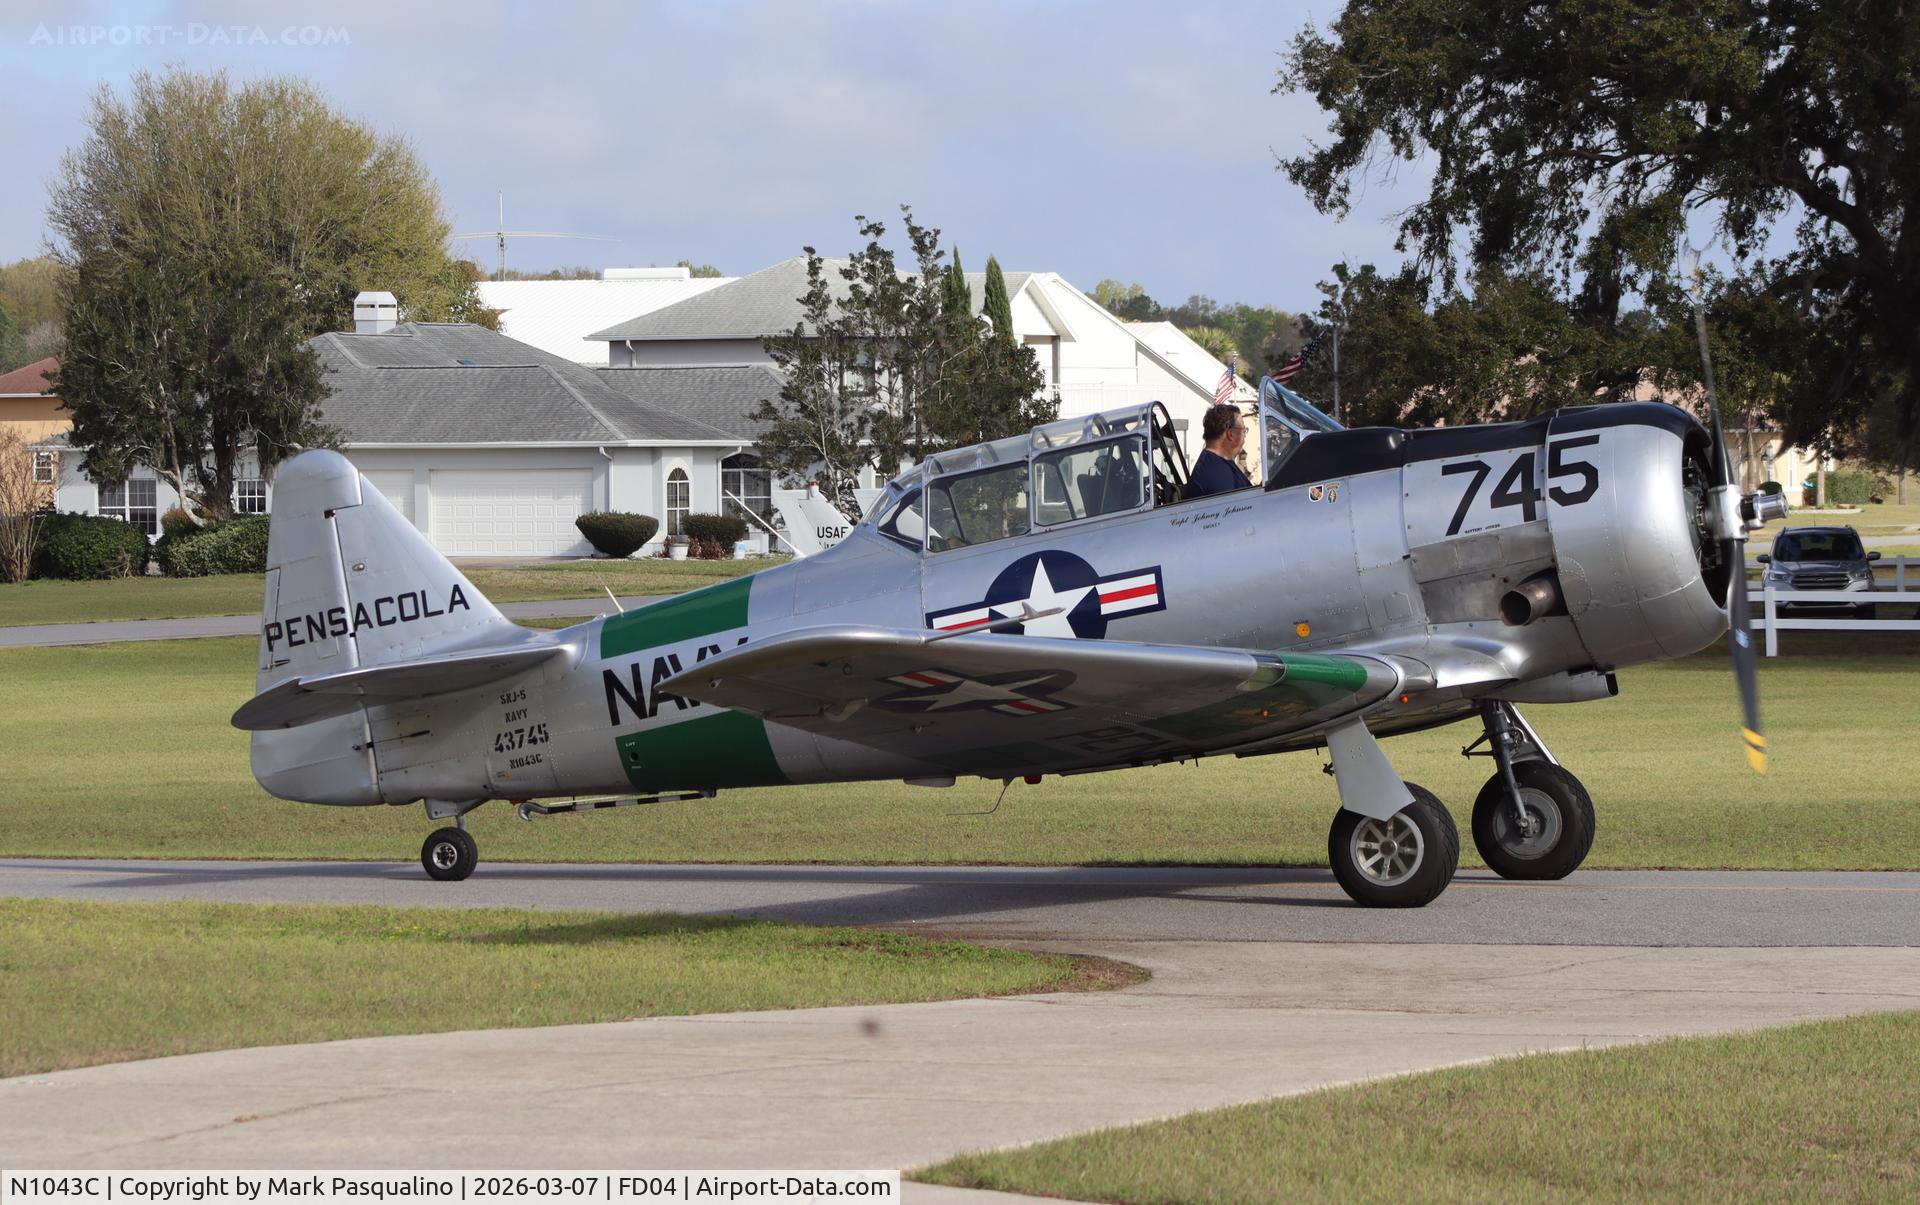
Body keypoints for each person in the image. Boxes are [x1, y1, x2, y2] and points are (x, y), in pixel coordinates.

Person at [1185, 402, 1253, 499]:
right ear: (1231, 434)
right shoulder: (1218, 473)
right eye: (1243, 430)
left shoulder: (1218, 464)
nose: (1245, 435)